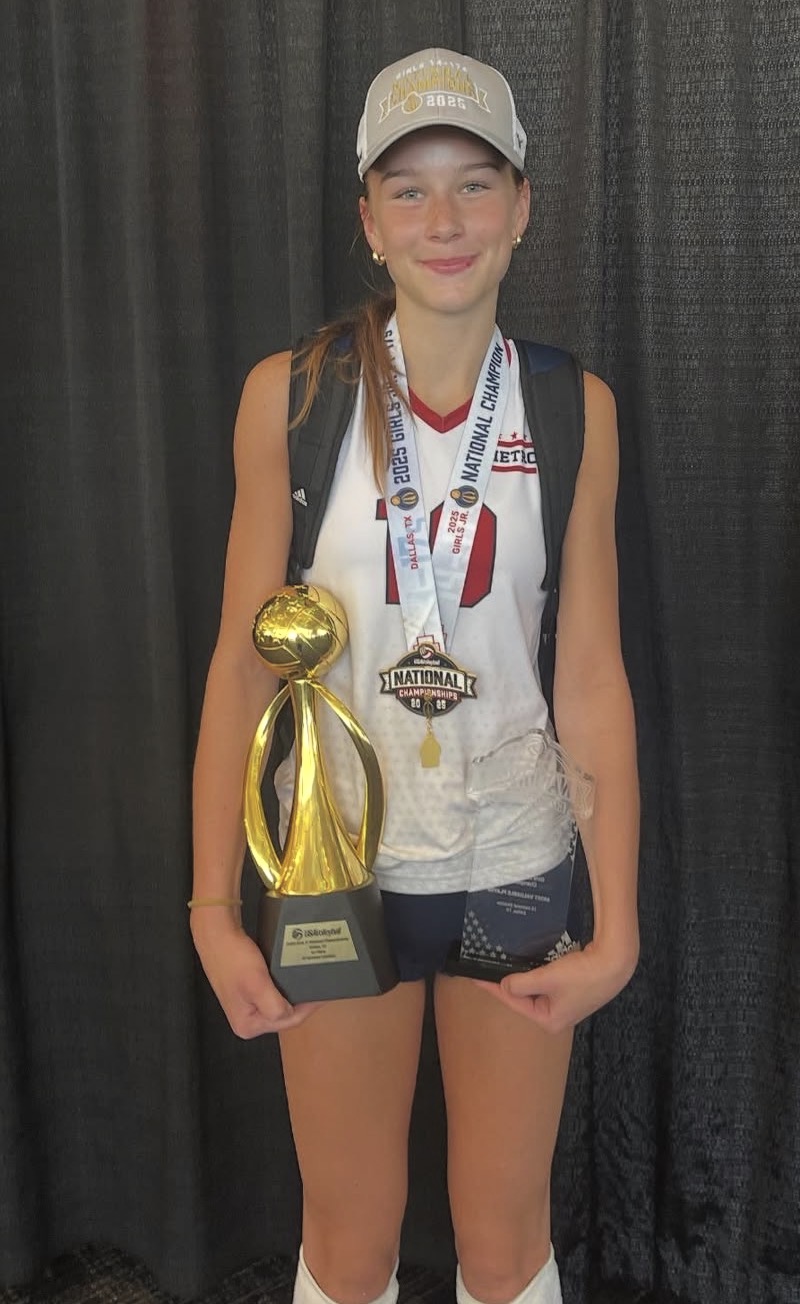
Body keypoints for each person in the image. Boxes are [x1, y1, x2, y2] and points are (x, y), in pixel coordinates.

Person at [190, 46, 639, 1304]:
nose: (443, 220)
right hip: (337, 862)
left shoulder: (571, 405)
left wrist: (616, 921)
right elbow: (239, 664)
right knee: (347, 1243)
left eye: (474, 184)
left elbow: (590, 675)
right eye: (408, 189)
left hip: (514, 859)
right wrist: (212, 906)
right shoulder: (291, 398)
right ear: (368, 221)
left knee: (503, 1243)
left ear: (522, 208)